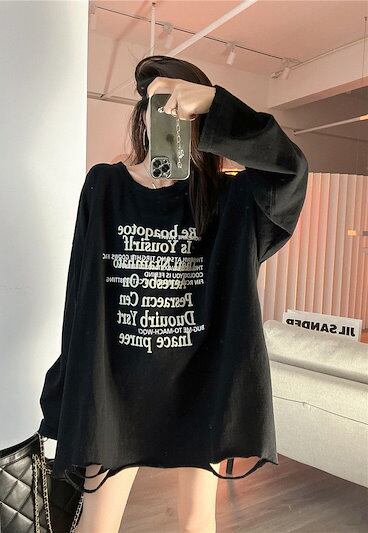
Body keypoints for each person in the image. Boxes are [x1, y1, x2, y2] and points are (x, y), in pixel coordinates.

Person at [38, 55, 309, 533]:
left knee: (196, 522)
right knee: (96, 526)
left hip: (199, 383)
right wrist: (66, 392)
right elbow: (80, 296)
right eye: (157, 102)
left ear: (200, 118)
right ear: (142, 115)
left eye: (182, 104)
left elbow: (291, 169)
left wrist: (215, 104)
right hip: (115, 389)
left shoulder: (231, 201)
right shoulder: (104, 185)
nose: (168, 113)